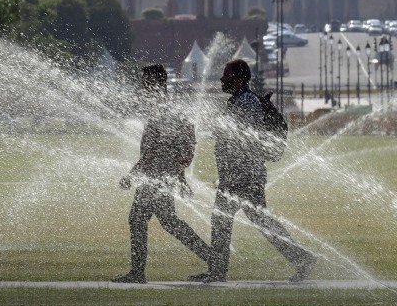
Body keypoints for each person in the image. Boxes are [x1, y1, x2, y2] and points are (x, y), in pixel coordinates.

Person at [190, 59, 317, 283]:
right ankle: (302, 258)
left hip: (243, 176)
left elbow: (242, 137)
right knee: (256, 220)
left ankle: (218, 271)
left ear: (238, 78)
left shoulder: (247, 102)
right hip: (241, 174)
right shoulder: (241, 100)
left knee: (223, 219)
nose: (221, 79)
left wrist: (220, 129)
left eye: (226, 74)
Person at [113, 65, 213, 284]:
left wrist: (132, 175)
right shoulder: (165, 107)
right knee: (168, 221)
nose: (142, 86)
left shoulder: (162, 108)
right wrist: (179, 175)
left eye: (146, 82)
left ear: (157, 83)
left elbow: (155, 150)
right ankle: (213, 259)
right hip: (160, 174)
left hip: (156, 176)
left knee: (140, 219)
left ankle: (138, 273)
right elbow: (179, 143)